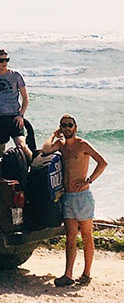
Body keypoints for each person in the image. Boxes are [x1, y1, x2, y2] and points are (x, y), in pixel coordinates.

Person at [40, 115, 108, 287]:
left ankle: (86, 273)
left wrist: (89, 180)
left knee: (86, 236)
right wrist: (53, 135)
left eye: (69, 125)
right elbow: (46, 150)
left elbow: (102, 162)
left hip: (83, 197)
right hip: (68, 196)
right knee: (70, 237)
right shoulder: (62, 146)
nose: (67, 128)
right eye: (64, 125)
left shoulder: (82, 145)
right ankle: (68, 274)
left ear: (75, 127)